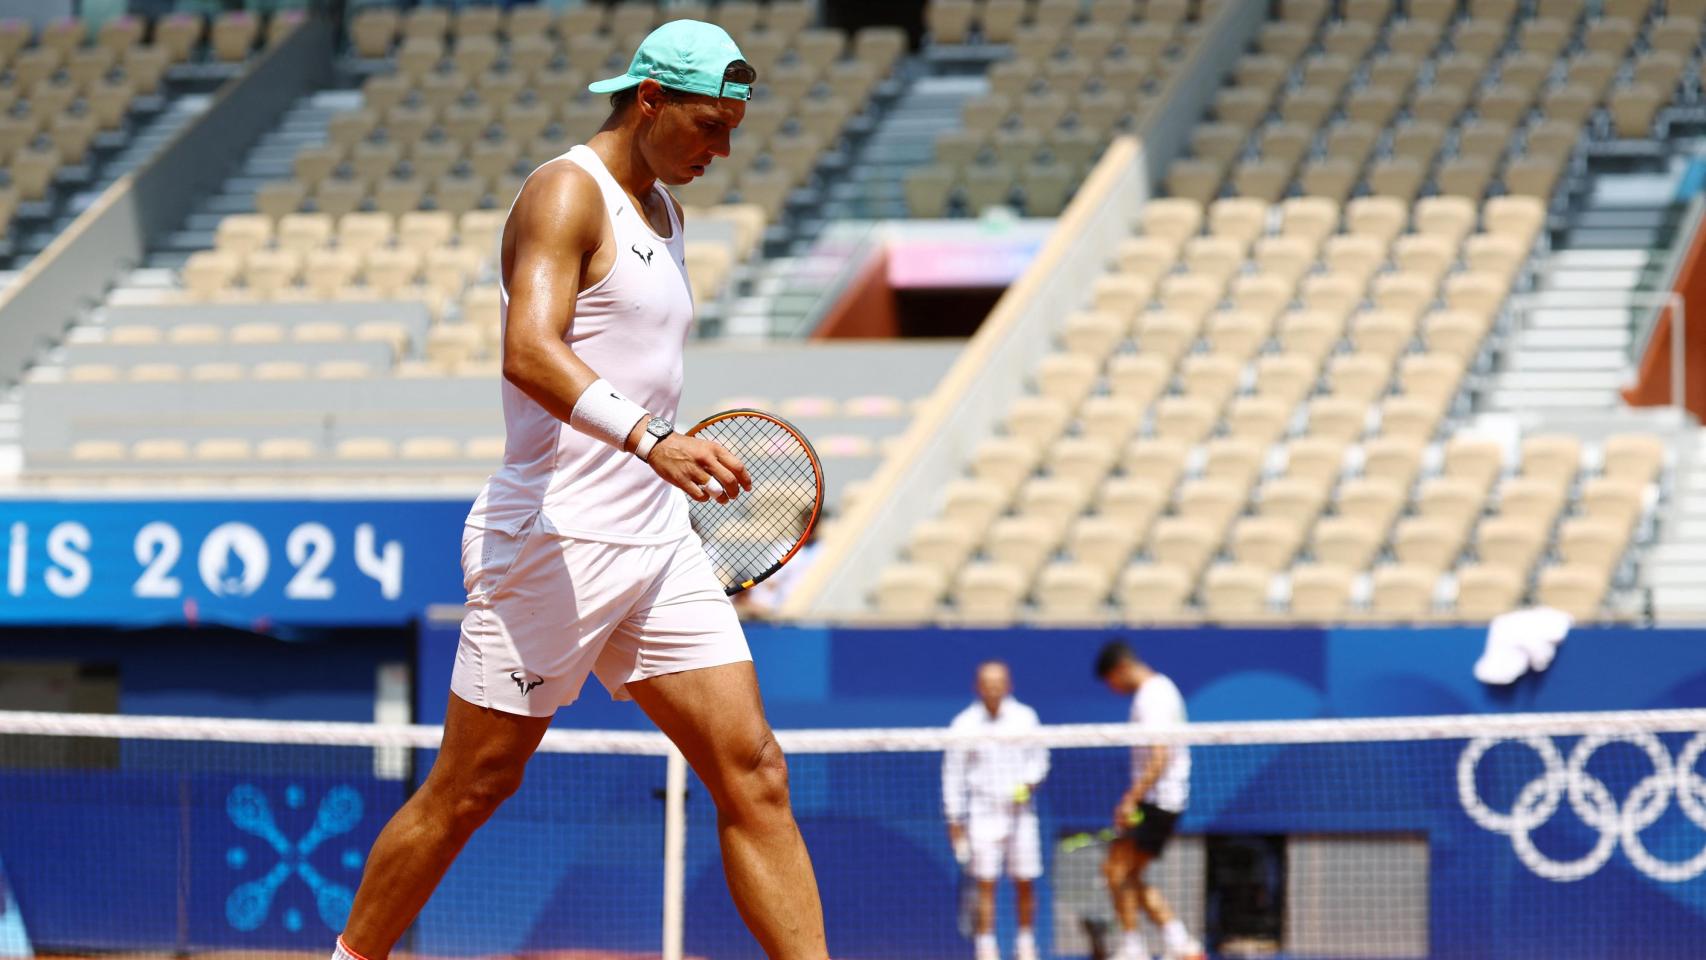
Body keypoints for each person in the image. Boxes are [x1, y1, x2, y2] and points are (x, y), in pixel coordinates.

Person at [328, 22, 828, 960]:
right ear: (648, 100)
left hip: (657, 541)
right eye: (709, 127)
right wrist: (651, 440)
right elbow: (529, 351)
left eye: (732, 132)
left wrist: (663, 457)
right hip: (554, 537)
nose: (722, 151)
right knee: (472, 788)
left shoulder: (666, 210)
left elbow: (627, 361)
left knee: (754, 770)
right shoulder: (566, 192)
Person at [1094, 641, 1203, 960]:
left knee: (1116, 872)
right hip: (1164, 800)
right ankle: (1180, 944)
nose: (1112, 689)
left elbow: (1159, 757)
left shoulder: (1151, 697)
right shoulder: (1162, 689)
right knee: (1126, 874)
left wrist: (1131, 799)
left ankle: (1136, 948)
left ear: (1121, 668)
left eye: (1111, 681)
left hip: (1156, 801)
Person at [942, 661, 1050, 960]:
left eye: (998, 681)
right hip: (982, 811)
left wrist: (1028, 784)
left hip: (1021, 813)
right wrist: (954, 819)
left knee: (1025, 880)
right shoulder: (963, 724)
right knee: (985, 883)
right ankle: (986, 948)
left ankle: (1026, 945)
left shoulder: (1026, 718)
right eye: (987, 682)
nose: (993, 687)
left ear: (1009, 684)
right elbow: (953, 774)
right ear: (977, 686)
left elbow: (1040, 760)